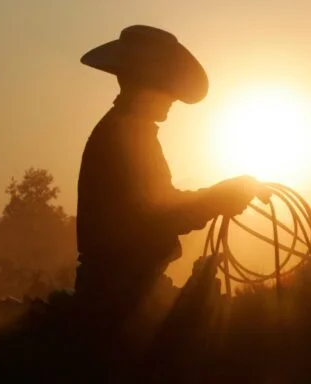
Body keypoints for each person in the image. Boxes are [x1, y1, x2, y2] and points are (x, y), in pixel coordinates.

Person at [73, 25, 265, 358]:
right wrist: (222, 196)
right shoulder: (126, 136)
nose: (174, 98)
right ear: (145, 86)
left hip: (125, 286)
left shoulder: (128, 131)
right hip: (120, 294)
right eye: (167, 88)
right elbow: (160, 215)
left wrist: (224, 193)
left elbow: (162, 203)